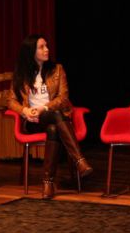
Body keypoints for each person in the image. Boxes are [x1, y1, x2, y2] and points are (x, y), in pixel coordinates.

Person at [6, 34, 93, 200]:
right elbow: (10, 100)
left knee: (53, 128)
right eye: (41, 47)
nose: (46, 49)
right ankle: (79, 160)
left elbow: (63, 98)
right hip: (33, 121)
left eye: (46, 46)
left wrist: (43, 108)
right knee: (56, 116)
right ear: (31, 51)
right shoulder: (21, 74)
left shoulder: (57, 70)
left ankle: (48, 183)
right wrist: (25, 111)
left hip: (51, 116)